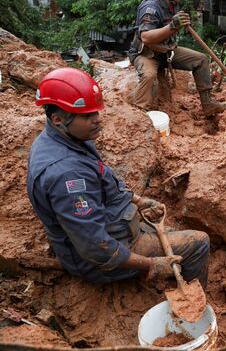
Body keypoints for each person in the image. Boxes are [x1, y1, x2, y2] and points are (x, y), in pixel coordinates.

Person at [26, 67, 210, 287]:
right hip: (99, 260)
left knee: (173, 234)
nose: (97, 120)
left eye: (96, 112)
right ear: (57, 118)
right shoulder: (68, 177)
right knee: (199, 243)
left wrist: (137, 200)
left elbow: (103, 177)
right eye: (87, 116)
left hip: (111, 224)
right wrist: (150, 264)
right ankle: (197, 309)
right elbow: (96, 248)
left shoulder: (66, 137)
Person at [128, 0, 226, 116]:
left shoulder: (172, 5)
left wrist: (177, 25)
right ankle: (140, 114)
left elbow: (170, 30)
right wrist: (173, 26)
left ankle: (208, 105)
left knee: (201, 60)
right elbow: (146, 37)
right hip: (146, 54)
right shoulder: (150, 7)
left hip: (166, 51)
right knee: (149, 76)